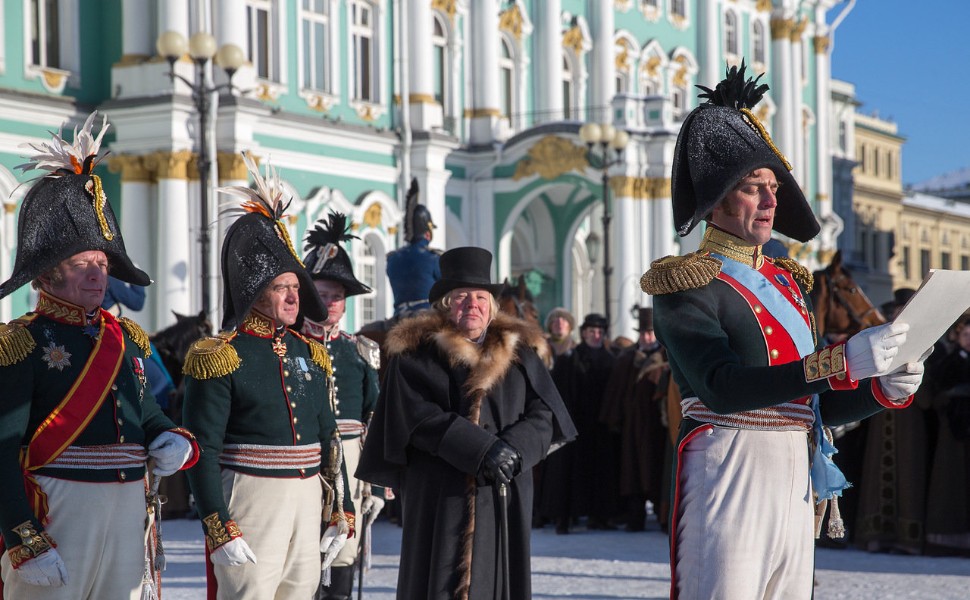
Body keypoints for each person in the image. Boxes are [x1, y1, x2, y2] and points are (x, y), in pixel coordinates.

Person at [639, 62, 931, 599]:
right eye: (754, 188)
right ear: (718, 200)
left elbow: (810, 406)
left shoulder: (791, 283)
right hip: (728, 466)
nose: (772, 201)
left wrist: (878, 390)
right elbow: (722, 388)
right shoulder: (686, 283)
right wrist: (841, 363)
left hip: (796, 471)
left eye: (773, 187)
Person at [0, 112, 198, 599]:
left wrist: (170, 436)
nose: (96, 274)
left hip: (127, 508)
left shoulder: (126, 338)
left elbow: (144, 411)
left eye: (102, 264)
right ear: (46, 276)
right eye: (81, 263)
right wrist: (24, 539)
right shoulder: (21, 343)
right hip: (58, 511)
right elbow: (2, 451)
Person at [356, 246, 576, 600]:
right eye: (461, 297)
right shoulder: (415, 354)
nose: (471, 304)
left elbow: (546, 414)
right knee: (439, 580)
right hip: (441, 492)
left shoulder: (521, 355)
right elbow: (414, 415)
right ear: (445, 304)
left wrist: (514, 451)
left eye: (480, 296)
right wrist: (481, 449)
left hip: (504, 489)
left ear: (492, 306)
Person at [181, 153, 353, 600]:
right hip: (251, 497)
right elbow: (203, 447)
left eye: (297, 287)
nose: (294, 297)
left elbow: (328, 436)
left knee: (301, 592)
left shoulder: (310, 353)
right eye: (282, 288)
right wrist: (217, 524)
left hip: (307, 496)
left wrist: (343, 509)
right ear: (255, 295)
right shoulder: (220, 355)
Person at [301, 212, 383, 599]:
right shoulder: (287, 348)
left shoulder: (360, 352)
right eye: (321, 294)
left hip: (350, 460)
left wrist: (379, 486)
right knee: (300, 553)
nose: (330, 303)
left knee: (344, 550)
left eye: (337, 296)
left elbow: (376, 419)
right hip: (301, 458)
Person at [538, 313, 617, 534]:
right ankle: (566, 516)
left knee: (601, 472)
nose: (596, 335)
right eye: (591, 331)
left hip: (601, 426)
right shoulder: (571, 358)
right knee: (570, 473)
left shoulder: (611, 360)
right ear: (583, 333)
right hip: (576, 424)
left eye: (600, 331)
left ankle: (600, 515)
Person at [600, 307, 669, 532]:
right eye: (644, 333)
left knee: (658, 471)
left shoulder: (667, 357)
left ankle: (662, 516)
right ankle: (635, 517)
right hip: (633, 426)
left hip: (659, 427)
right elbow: (616, 391)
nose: (647, 337)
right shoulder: (628, 358)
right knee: (633, 473)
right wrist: (615, 420)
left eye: (651, 333)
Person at [385, 178, 441, 317]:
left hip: (399, 315)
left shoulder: (393, 258)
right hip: (427, 315)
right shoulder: (434, 258)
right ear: (428, 232)